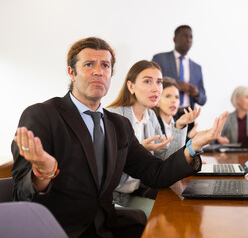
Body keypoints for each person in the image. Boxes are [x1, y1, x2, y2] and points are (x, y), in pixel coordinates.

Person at [11, 37, 228, 238]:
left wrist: (193, 146)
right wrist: (43, 172)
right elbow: (21, 195)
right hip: (62, 230)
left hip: (107, 228)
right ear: (71, 72)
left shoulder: (118, 125)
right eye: (89, 65)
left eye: (105, 65)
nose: (98, 71)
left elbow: (156, 173)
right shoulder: (42, 115)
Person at [106, 61, 200, 215]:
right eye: (147, 81)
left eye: (159, 82)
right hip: (112, 199)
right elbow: (105, 168)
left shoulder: (150, 116)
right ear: (131, 87)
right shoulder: (113, 116)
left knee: (175, 213)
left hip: (133, 195)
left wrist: (179, 127)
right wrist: (138, 151)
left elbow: (166, 164)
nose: (156, 88)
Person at [152, 25, 206, 132]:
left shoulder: (197, 68)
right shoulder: (160, 59)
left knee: (186, 147)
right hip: (163, 113)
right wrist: (176, 86)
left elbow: (203, 99)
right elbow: (152, 84)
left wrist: (196, 93)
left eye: (191, 37)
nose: (188, 39)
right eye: (185, 36)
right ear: (174, 39)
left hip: (187, 115)